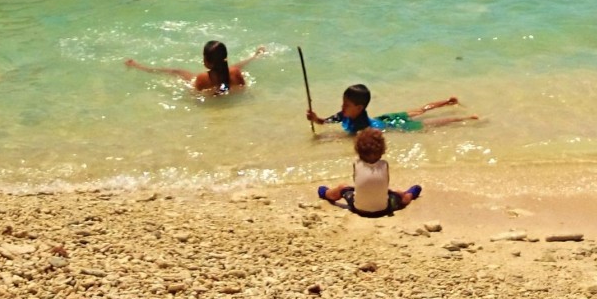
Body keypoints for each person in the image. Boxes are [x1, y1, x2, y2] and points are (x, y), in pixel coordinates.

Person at [318, 127, 422, 218]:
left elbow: (356, 182)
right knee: (400, 195)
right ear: (382, 151)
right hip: (384, 209)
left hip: (358, 208)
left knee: (342, 188)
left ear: (358, 150)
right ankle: (411, 194)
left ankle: (326, 193)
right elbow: (385, 183)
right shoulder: (384, 165)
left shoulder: (356, 164)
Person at [306, 82, 476, 133]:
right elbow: (326, 121)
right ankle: (449, 101)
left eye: (346, 105)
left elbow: (350, 138)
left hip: (389, 126)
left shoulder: (361, 125)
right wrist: (316, 119)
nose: (342, 107)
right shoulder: (345, 114)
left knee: (430, 123)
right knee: (418, 111)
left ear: (358, 108)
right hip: (383, 119)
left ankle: (464, 118)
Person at [125, 41, 266, 94]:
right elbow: (242, 87)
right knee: (237, 67)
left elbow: (196, 93)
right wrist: (223, 91)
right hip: (226, 78)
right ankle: (256, 55)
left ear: (207, 62)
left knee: (176, 71)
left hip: (205, 83)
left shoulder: (202, 78)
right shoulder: (235, 73)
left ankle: (138, 66)